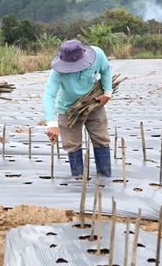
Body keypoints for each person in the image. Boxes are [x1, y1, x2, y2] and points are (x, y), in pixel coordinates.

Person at [43, 39, 113, 178]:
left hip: (93, 104)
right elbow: (49, 96)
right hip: (68, 109)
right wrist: (52, 124)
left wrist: (107, 93)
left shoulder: (98, 54)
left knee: (101, 139)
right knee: (72, 145)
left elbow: (106, 70)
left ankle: (105, 177)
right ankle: (78, 179)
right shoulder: (57, 71)